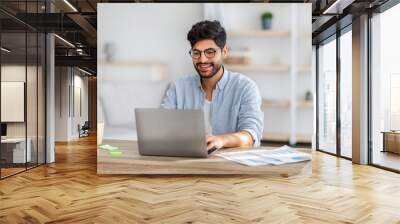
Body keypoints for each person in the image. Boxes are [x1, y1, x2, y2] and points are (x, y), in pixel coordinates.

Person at [161, 20, 263, 151]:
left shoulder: (245, 87)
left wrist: (221, 140)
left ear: (224, 51)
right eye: (196, 53)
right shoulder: (178, 88)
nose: (202, 60)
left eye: (210, 52)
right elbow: (162, 128)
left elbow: (250, 135)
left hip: (229, 165)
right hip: (186, 161)